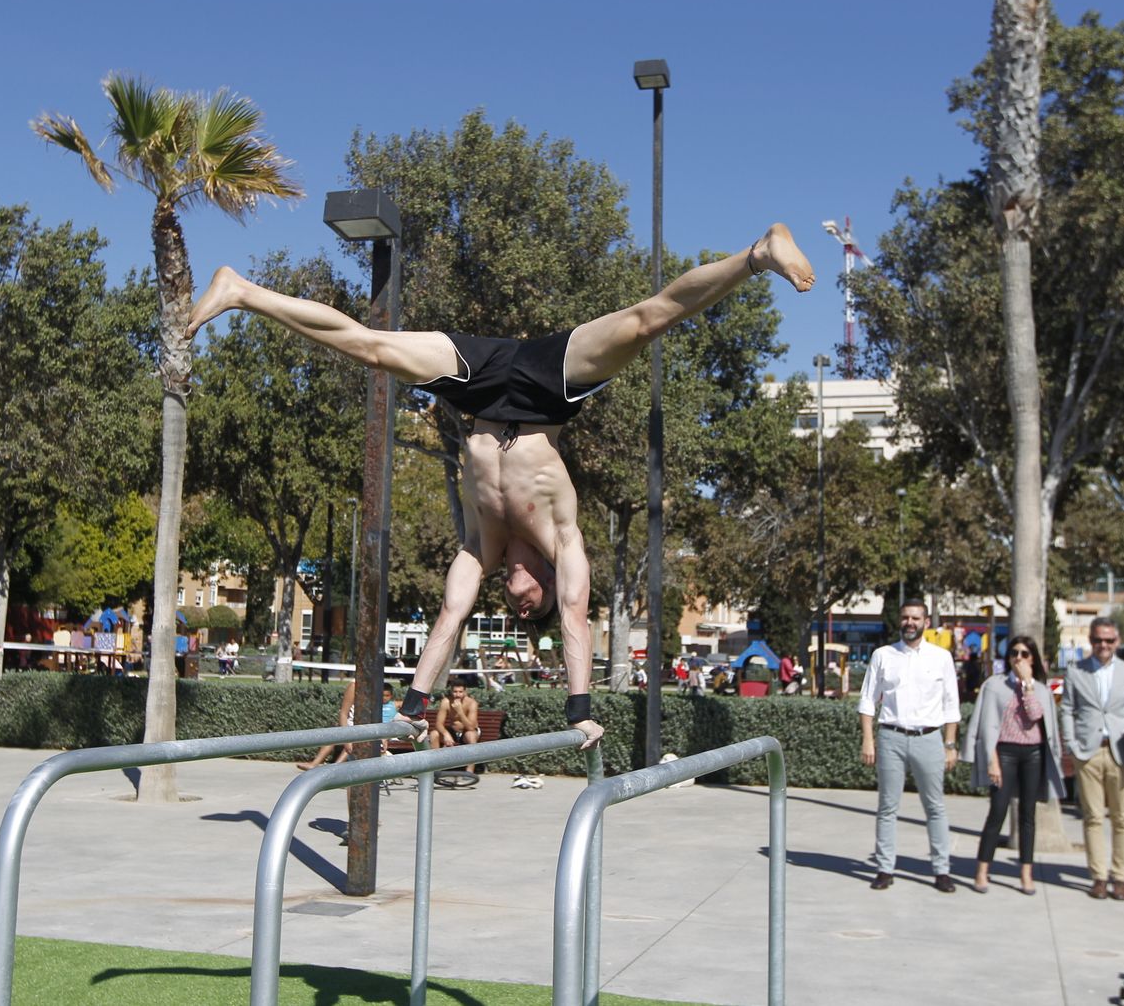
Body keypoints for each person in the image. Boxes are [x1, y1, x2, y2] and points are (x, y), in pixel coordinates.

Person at [188, 223, 816, 748]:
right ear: (541, 580)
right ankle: (759, 253)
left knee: (373, 350)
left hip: (479, 392)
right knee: (647, 320)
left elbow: (450, 618)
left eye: (520, 612)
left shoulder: (478, 549)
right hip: (548, 390)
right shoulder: (563, 541)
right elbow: (573, 617)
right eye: (528, 605)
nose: (521, 607)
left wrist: (412, 706)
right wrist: (578, 709)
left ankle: (241, 291)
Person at [857, 600, 960, 893]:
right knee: (887, 806)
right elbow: (867, 700)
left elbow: (951, 704)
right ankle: (885, 868)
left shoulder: (941, 658)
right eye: (905, 617)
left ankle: (941, 871)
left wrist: (950, 745)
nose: (910, 622)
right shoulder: (883, 656)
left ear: (926, 622)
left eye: (916, 618)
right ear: (899, 621)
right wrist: (868, 738)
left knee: (935, 806)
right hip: (891, 737)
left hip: (929, 738)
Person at [1060, 617, 1124, 901]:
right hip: (1088, 752)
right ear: (1091, 640)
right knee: (1092, 817)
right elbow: (1067, 709)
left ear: (1118, 642)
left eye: (1109, 640)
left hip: (1122, 752)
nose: (1104, 645)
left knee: (1122, 818)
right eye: (1099, 640)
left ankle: (1120, 877)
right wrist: (1072, 744)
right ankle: (1098, 877)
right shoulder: (1076, 670)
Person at [962, 635, 1064, 895]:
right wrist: (991, 760)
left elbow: (1035, 715)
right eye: (1014, 653)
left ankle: (1026, 874)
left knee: (1028, 815)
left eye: (1024, 654)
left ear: (1033, 659)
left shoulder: (1040, 689)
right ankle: (982, 870)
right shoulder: (994, 685)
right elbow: (986, 725)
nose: (1018, 658)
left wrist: (1028, 684)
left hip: (1033, 754)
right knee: (997, 811)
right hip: (1004, 752)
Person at [297, 680, 358, 770]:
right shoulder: (354, 686)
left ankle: (336, 767)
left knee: (355, 739)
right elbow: (343, 713)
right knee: (334, 735)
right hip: (350, 725)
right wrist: (346, 736)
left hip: (361, 728)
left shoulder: (378, 687)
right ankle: (315, 763)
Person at [434, 681, 482, 772]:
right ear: (451, 692)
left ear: (465, 692)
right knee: (434, 734)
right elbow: (439, 724)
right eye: (455, 692)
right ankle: (435, 769)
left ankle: (469, 771)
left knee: (470, 736)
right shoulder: (446, 702)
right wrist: (446, 734)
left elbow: (471, 727)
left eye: (460, 692)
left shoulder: (472, 703)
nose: (457, 695)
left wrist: (460, 712)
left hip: (467, 731)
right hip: (453, 731)